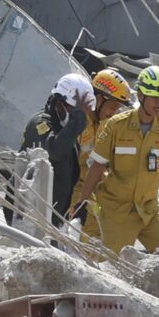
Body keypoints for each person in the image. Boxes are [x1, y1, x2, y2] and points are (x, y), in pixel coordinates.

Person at [68, 65, 159, 255]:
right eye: (155, 98)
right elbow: (97, 166)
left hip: (148, 210)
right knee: (107, 260)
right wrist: (82, 202)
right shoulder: (116, 126)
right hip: (116, 211)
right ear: (140, 96)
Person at [17, 73, 94, 225]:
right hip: (30, 216)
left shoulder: (64, 129)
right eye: (75, 110)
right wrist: (77, 120)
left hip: (52, 217)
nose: (78, 116)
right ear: (59, 103)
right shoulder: (40, 123)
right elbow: (54, 151)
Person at [69, 69, 132, 223]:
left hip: (91, 188)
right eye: (113, 107)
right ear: (98, 99)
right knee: (94, 227)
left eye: (117, 109)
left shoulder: (102, 124)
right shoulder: (76, 123)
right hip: (73, 190)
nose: (113, 113)